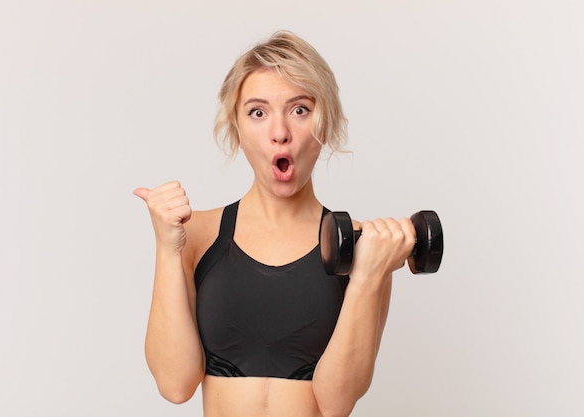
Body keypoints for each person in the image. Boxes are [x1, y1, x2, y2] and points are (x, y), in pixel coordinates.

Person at [133, 30, 416, 417]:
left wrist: (368, 277)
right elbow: (174, 383)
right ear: (236, 126)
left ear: (326, 122)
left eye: (300, 110)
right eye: (258, 112)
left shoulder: (365, 249)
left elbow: (337, 403)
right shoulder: (194, 235)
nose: (280, 132)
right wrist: (167, 248)